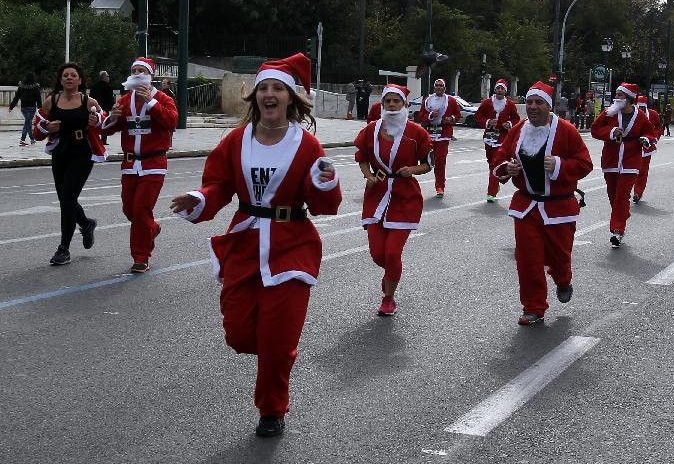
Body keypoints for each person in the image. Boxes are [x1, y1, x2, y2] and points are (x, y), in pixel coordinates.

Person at [170, 52, 341, 438]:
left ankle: (271, 409)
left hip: (291, 247)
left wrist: (326, 182)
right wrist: (200, 198)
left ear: (291, 98)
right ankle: (276, 350)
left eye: (277, 88)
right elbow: (218, 185)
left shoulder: (308, 146)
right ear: (255, 98)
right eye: (263, 88)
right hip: (245, 243)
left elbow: (325, 206)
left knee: (277, 341)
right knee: (240, 334)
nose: (269, 94)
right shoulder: (235, 140)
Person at [490, 81, 592, 325]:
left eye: (539, 103)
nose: (533, 107)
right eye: (530, 102)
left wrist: (560, 165)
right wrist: (506, 168)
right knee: (527, 259)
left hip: (558, 208)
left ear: (549, 106)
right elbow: (500, 157)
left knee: (559, 257)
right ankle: (533, 307)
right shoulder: (518, 130)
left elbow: (585, 164)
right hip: (526, 206)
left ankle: (563, 278)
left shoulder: (566, 131)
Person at [355, 84, 432, 317]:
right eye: (387, 101)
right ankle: (391, 274)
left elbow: (429, 163)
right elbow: (362, 157)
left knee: (392, 253)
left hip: (404, 197)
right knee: (378, 254)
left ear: (404, 105)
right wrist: (368, 176)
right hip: (377, 195)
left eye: (395, 101)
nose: (390, 105)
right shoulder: (371, 129)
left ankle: (388, 298)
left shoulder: (417, 132)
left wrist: (413, 169)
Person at [101, 57, 179, 273]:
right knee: (130, 210)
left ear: (150, 76)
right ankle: (151, 228)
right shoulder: (124, 101)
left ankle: (141, 257)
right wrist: (111, 118)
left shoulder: (163, 98)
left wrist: (151, 103)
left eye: (141, 71)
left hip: (153, 163)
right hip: (129, 164)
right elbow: (106, 130)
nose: (136, 74)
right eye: (133, 70)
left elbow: (172, 122)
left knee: (141, 209)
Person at [33, 63, 106, 265]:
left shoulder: (88, 101)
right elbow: (37, 130)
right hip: (60, 152)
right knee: (65, 198)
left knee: (68, 197)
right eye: (65, 75)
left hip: (82, 151)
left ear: (80, 80)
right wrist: (47, 126)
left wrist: (96, 119)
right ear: (60, 79)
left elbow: (104, 121)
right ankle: (86, 223)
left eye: (73, 75)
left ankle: (63, 248)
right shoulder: (51, 101)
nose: (69, 78)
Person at [591, 83, 656, 247]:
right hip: (611, 158)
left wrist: (646, 139)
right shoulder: (609, 113)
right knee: (613, 194)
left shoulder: (640, 116)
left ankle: (617, 230)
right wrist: (611, 132)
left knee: (622, 194)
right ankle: (623, 214)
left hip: (631, 159)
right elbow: (595, 129)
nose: (616, 98)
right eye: (617, 94)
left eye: (620, 95)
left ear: (629, 99)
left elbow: (650, 131)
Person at [475, 79, 520, 202]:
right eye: (498, 88)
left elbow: (516, 118)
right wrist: (488, 122)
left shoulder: (510, 104)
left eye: (502, 88)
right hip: (489, 137)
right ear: (495, 90)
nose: (500, 90)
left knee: (495, 162)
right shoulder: (487, 102)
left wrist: (509, 124)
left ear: (505, 91)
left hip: (502, 138)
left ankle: (491, 192)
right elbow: (478, 116)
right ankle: (496, 181)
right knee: (491, 163)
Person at [418, 78, 460, 197]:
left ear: (444, 88)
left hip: (444, 132)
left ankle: (440, 186)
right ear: (434, 87)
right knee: (427, 159)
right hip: (430, 132)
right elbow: (421, 115)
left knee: (440, 160)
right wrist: (430, 115)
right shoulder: (427, 100)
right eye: (437, 85)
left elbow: (457, 114)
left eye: (441, 85)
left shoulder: (450, 100)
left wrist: (451, 119)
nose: (438, 87)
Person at [632, 95, 664, 203]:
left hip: (647, 148)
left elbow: (659, 127)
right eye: (638, 107)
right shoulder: (632, 113)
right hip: (632, 147)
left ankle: (638, 192)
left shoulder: (653, 114)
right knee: (630, 170)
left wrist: (654, 136)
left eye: (642, 107)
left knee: (643, 171)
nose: (640, 110)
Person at [9, 72, 41, 146]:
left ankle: (32, 139)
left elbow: (16, 97)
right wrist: (40, 109)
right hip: (32, 108)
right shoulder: (36, 87)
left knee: (28, 122)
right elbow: (39, 99)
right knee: (27, 122)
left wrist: (11, 106)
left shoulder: (21, 86)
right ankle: (22, 140)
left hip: (23, 108)